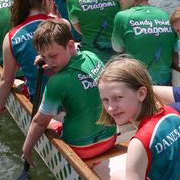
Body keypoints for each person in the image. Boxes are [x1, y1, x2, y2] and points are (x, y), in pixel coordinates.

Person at [22, 20, 116, 166]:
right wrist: (50, 56)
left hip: (81, 148)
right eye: (44, 57)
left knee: (49, 121)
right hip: (111, 137)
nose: (50, 63)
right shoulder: (91, 56)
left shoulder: (57, 82)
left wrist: (27, 149)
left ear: (70, 46)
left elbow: (39, 123)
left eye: (53, 56)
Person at [0, 0, 59, 120]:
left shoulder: (11, 38)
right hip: (69, 99)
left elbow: (6, 81)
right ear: (47, 0)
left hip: (40, 106)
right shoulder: (61, 25)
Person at [111, 0, 179, 85]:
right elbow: (175, 55)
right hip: (166, 85)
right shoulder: (166, 15)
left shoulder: (122, 17)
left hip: (139, 85)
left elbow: (118, 50)